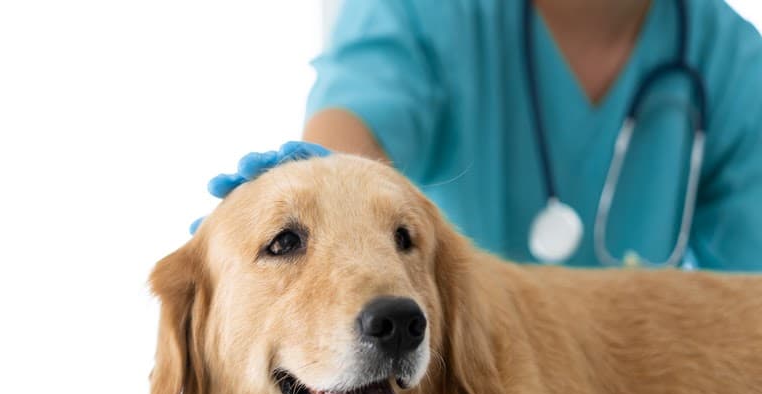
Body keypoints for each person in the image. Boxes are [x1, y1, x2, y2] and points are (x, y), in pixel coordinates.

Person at [302, 0, 762, 270]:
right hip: (463, 377)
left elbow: (746, 309)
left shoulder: (733, 61)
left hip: (637, 390)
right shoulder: (426, 12)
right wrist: (315, 192)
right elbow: (345, 140)